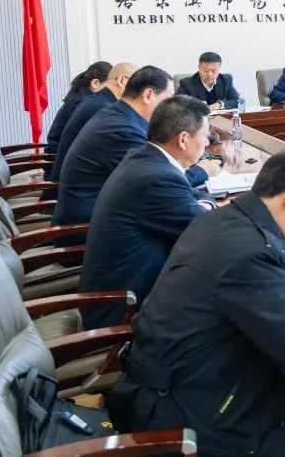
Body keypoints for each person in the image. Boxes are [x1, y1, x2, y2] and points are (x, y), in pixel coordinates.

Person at [107, 145, 285, 457]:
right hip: (192, 419)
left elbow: (229, 294)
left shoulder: (220, 221)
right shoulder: (251, 255)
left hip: (178, 387)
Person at [78, 96, 218, 330]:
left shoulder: (144, 159)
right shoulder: (156, 178)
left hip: (120, 292)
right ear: (183, 139)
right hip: (123, 311)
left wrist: (204, 203)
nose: (207, 142)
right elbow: (208, 228)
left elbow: (193, 196)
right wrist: (208, 206)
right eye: (205, 135)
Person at [51, 66, 216, 235]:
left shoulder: (117, 115)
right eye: (168, 100)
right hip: (83, 229)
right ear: (148, 95)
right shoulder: (122, 130)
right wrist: (201, 171)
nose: (172, 108)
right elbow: (159, 181)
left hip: (101, 217)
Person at [50, 61, 138, 181]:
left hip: (72, 176)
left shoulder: (99, 101)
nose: (140, 91)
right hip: (75, 184)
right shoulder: (102, 108)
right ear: (122, 80)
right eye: (138, 84)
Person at [44, 61, 112, 158]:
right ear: (95, 83)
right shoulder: (86, 103)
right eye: (110, 87)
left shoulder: (81, 98)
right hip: (61, 159)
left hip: (61, 156)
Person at [177, 51, 241, 110]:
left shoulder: (226, 80)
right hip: (197, 118)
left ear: (219, 68)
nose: (210, 74)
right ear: (199, 68)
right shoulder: (186, 84)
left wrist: (219, 104)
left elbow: (236, 101)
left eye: (214, 71)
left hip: (220, 117)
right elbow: (177, 105)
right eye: (206, 71)